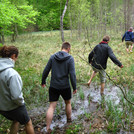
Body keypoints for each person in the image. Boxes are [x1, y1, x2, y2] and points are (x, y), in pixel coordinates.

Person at [41, 42, 77, 134]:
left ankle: (48, 128)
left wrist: (43, 81)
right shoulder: (70, 58)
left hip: (54, 86)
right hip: (65, 86)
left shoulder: (53, 57)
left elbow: (46, 70)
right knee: (68, 103)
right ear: (68, 48)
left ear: (62, 48)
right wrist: (74, 87)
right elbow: (72, 74)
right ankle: (69, 121)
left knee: (51, 107)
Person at [0, 46, 34, 134]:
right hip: (13, 107)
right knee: (28, 122)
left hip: (1, 107)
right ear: (13, 56)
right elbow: (16, 97)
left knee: (16, 119)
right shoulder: (12, 74)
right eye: (17, 57)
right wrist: (21, 103)